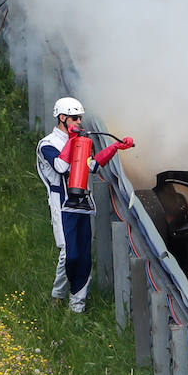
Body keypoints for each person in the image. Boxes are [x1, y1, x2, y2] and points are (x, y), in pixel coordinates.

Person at [36, 97, 134, 313]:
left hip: (81, 203)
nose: (80, 121)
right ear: (62, 118)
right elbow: (61, 167)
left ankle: (77, 306)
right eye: (75, 118)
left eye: (80, 117)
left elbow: (92, 166)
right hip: (61, 203)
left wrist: (115, 147)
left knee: (83, 254)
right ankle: (57, 296)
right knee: (68, 254)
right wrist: (73, 140)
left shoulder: (80, 141)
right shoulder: (47, 144)